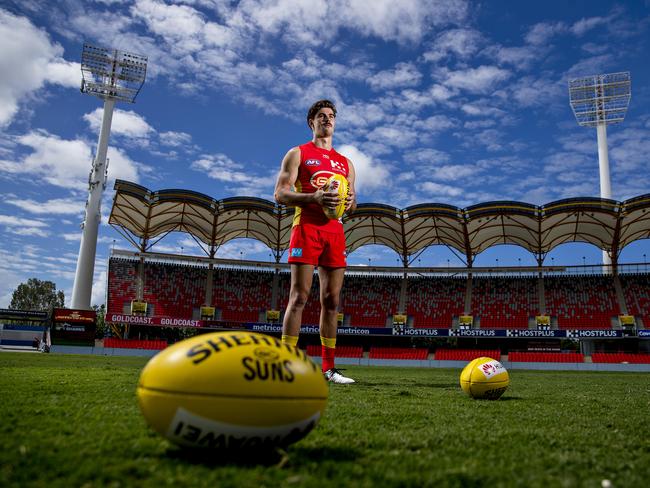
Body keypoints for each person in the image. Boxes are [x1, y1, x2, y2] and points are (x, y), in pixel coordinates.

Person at [274, 99, 357, 384]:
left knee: (332, 301)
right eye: (321, 116)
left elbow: (352, 204)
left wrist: (350, 201)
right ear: (312, 122)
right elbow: (280, 194)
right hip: (306, 228)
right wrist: (314, 197)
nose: (327, 119)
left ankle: (329, 369)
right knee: (298, 298)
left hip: (335, 231)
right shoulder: (297, 154)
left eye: (331, 116)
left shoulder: (346, 163)